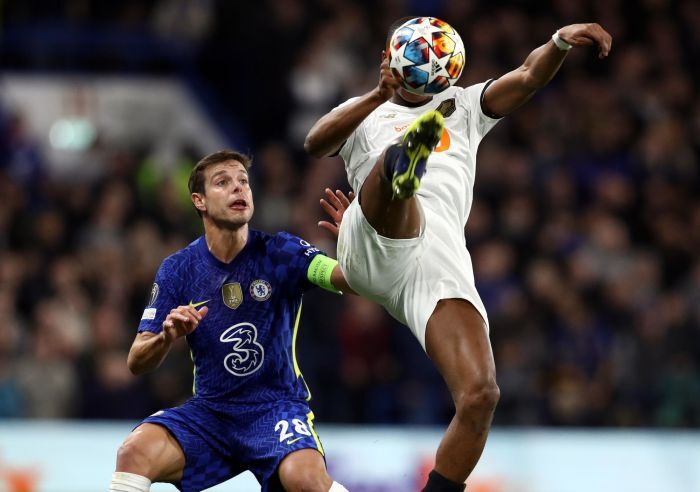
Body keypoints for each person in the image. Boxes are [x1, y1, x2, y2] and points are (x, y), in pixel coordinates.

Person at [306, 18, 612, 492]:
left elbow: (528, 75)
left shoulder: (465, 105)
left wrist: (559, 41)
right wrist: (377, 97)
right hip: (374, 243)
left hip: (438, 260)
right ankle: (400, 169)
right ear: (386, 60)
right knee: (394, 174)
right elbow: (315, 142)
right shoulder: (362, 111)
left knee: (481, 394)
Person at [109, 150, 349, 492]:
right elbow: (137, 361)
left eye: (243, 182)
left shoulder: (281, 252)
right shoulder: (178, 269)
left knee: (305, 480)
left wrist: (357, 244)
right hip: (212, 414)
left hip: (275, 409)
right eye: (223, 182)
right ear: (200, 201)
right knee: (134, 452)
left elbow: (346, 279)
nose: (238, 188)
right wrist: (166, 336)